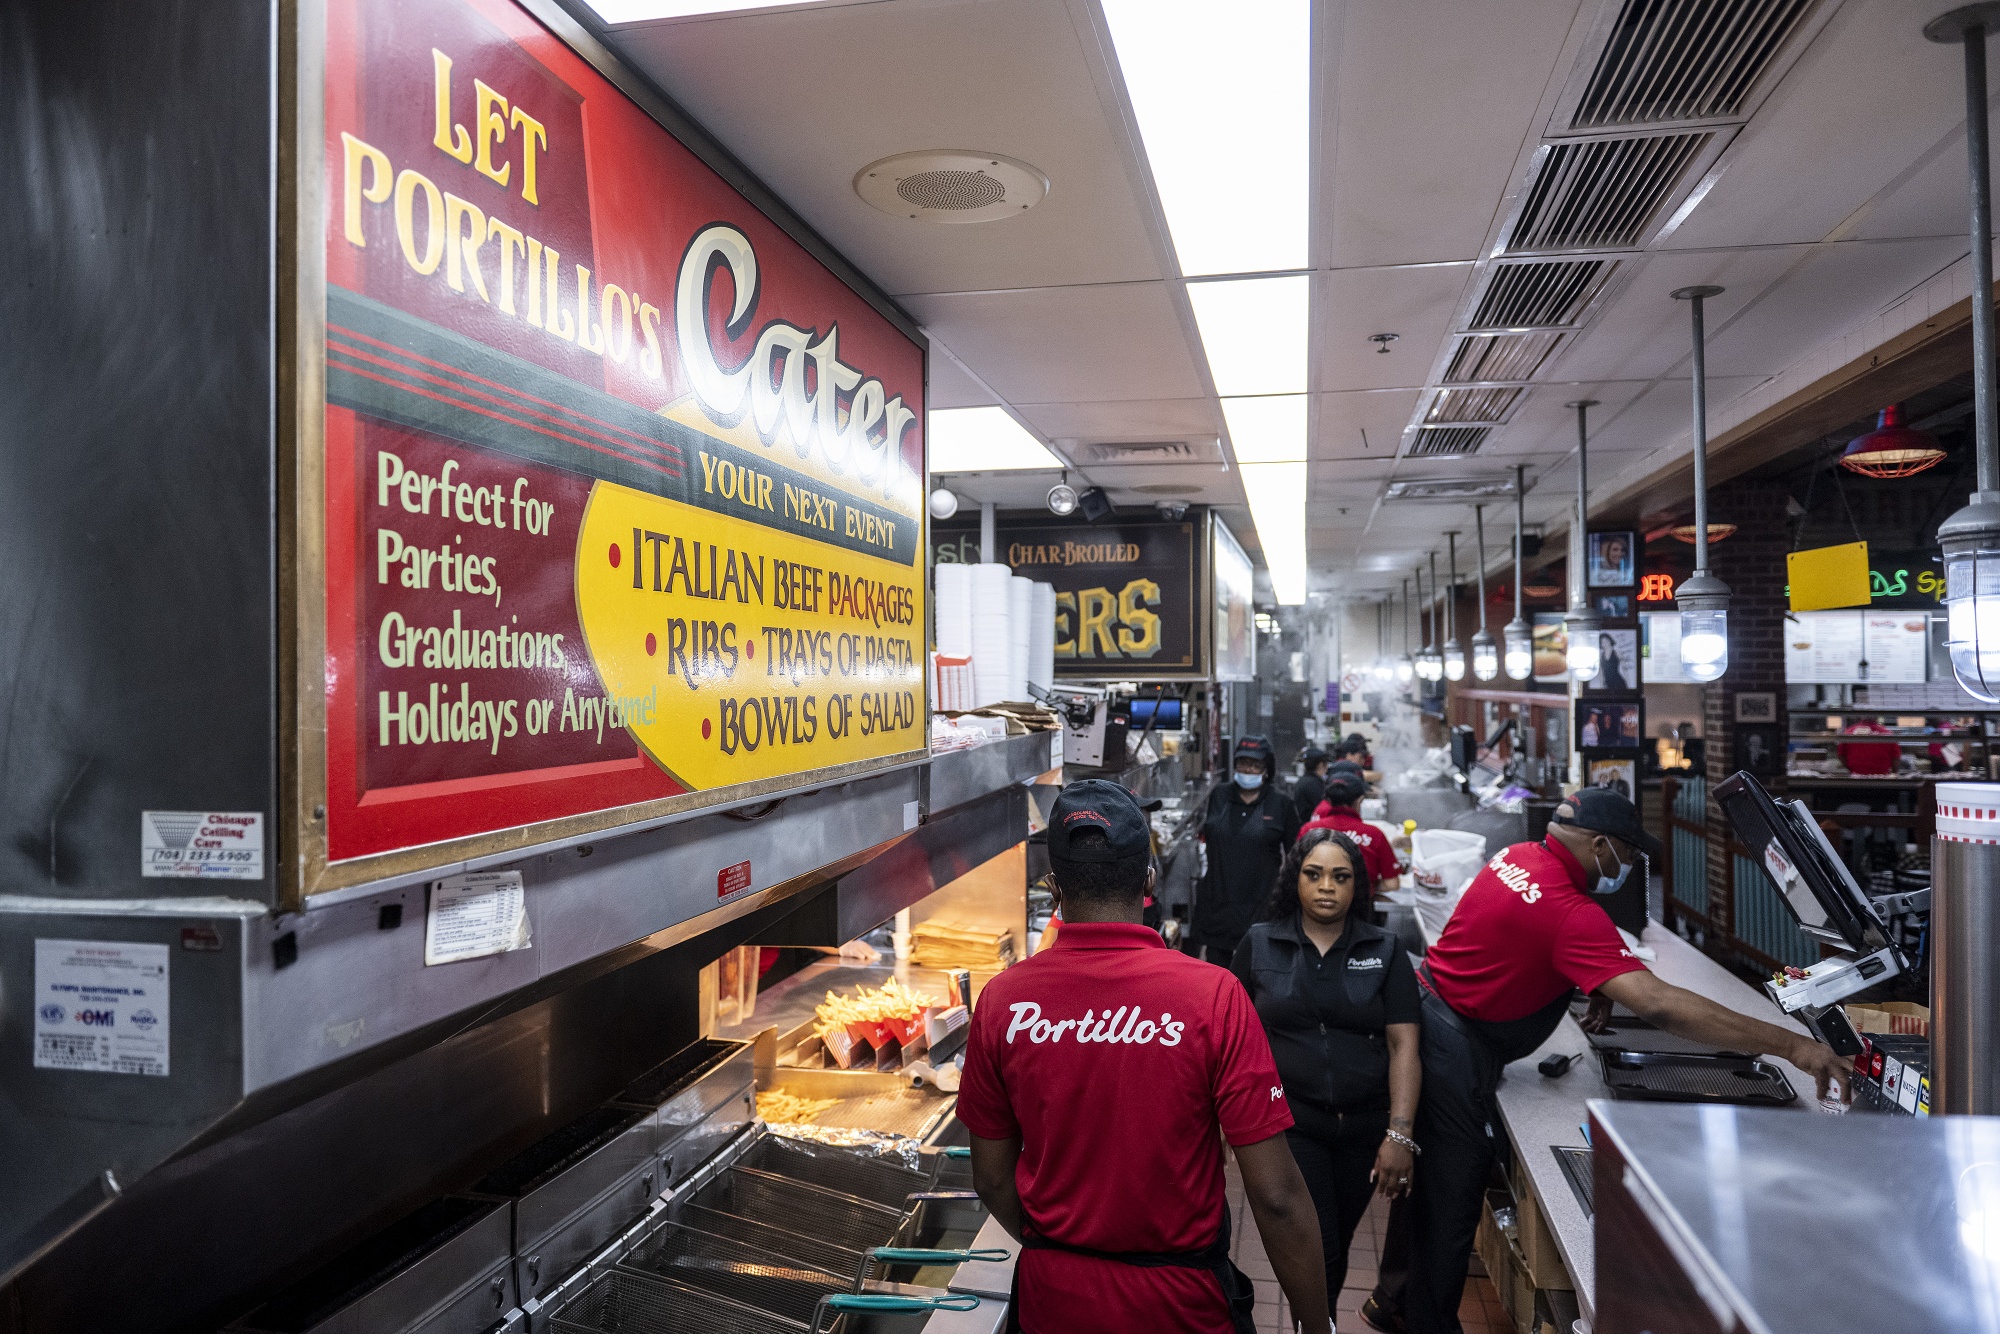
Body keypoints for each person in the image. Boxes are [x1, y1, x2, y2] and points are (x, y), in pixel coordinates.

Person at [1365, 788, 1852, 1334]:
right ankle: (1425, 1323)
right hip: (1455, 1046)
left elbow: (1526, 939)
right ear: (1600, 846)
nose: (1628, 866)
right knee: (1450, 1203)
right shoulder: (1572, 913)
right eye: (1627, 854)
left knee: (1427, 1183)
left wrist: (1593, 976)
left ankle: (1394, 1299)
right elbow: (1660, 1003)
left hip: (1433, 1013)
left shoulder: (1519, 856)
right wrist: (1793, 1045)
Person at [961, 779, 1333, 1334]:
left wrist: (1064, 1251)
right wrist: (1314, 1324)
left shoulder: (1002, 1002)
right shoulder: (1214, 997)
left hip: (1053, 1303)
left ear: (1055, 890)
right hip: (1182, 1307)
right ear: (1149, 881)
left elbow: (991, 1180)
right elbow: (1276, 1196)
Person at [1233, 829, 1421, 1310]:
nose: (1326, 887)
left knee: (1335, 1242)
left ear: (1356, 885)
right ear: (1294, 879)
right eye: (1313, 875)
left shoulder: (1386, 949)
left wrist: (1399, 1134)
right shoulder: (1260, 945)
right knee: (1320, 1246)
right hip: (1291, 1124)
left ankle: (1319, 1320)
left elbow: (1404, 1046)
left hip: (1364, 1128)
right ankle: (1316, 1324)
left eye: (1340, 877)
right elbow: (1231, 1039)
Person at [1195, 737, 1301, 965]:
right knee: (1217, 977)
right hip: (1219, 905)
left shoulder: (1281, 804)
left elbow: (1295, 857)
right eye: (1243, 763)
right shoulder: (1219, 796)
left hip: (1261, 906)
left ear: (1266, 769)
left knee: (1257, 977)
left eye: (1255, 765)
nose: (1248, 770)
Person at [1299, 770, 1401, 893]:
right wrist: (1368, 886)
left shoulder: (1309, 830)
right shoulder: (1374, 835)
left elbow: (1295, 873)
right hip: (1359, 908)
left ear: (1328, 800)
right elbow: (1392, 884)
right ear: (1359, 800)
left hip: (1314, 905)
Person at [1293, 749, 1332, 829]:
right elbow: (1323, 808)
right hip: (1312, 829)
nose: (1327, 767)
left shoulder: (1303, 781)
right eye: (1326, 764)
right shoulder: (1314, 784)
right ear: (1320, 765)